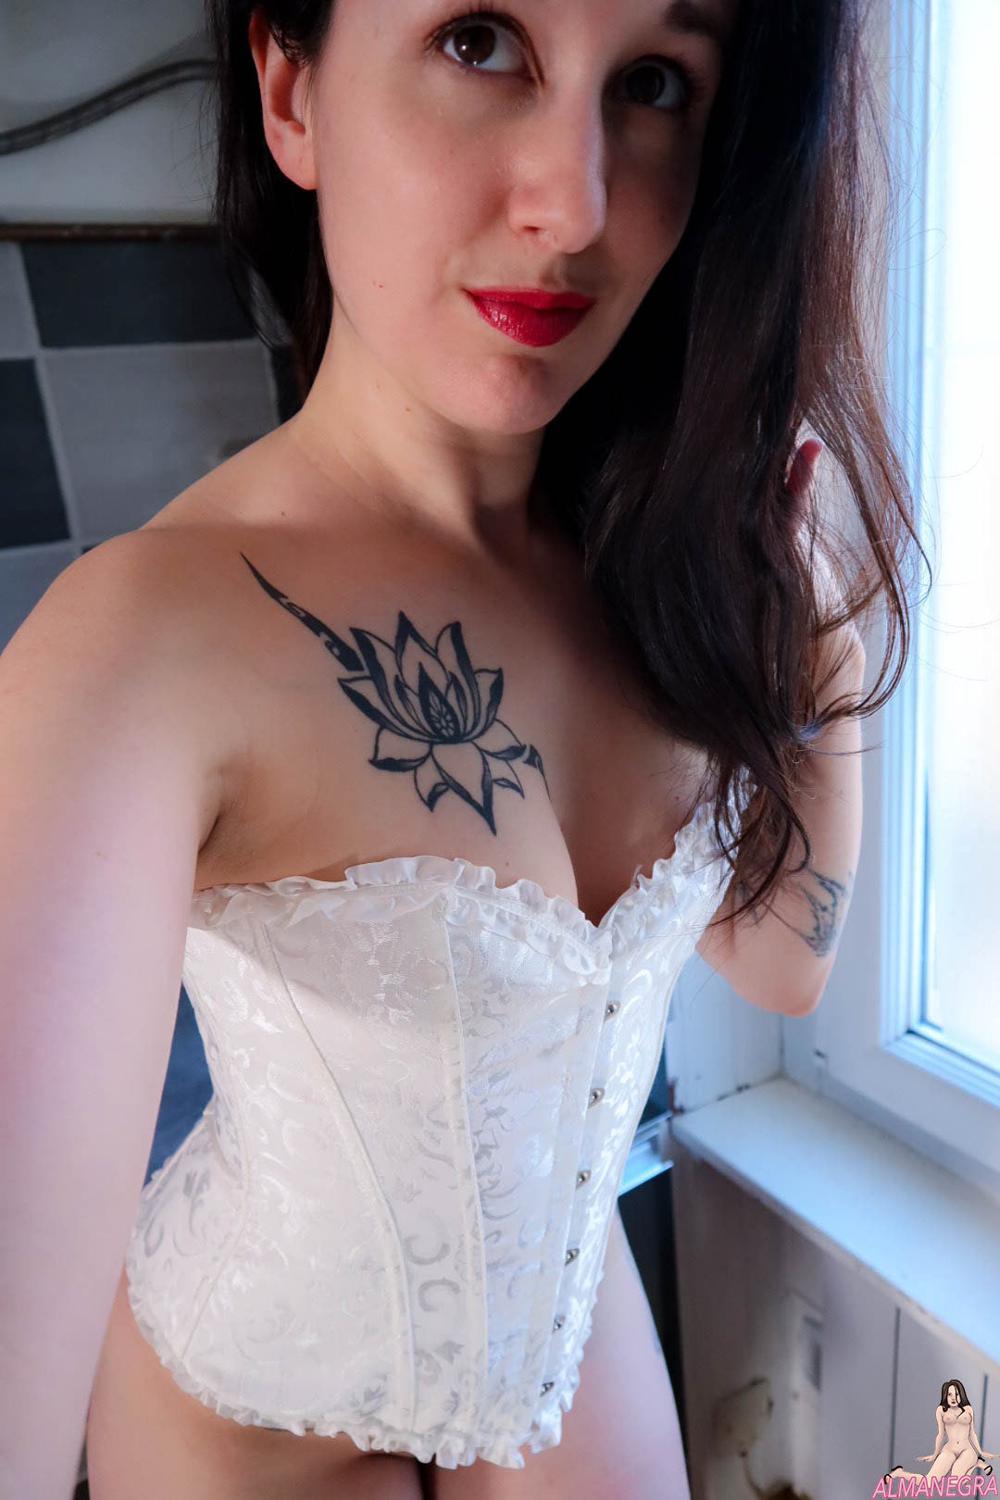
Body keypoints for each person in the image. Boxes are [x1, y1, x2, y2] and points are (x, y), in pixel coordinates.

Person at [0, 0, 923, 1496]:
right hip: (247, 1404)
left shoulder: (665, 568)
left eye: (653, 82)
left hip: (568, 1334)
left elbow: (780, 960)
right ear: (292, 91)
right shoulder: (137, 648)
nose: (576, 203)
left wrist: (817, 617)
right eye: (481, 42)